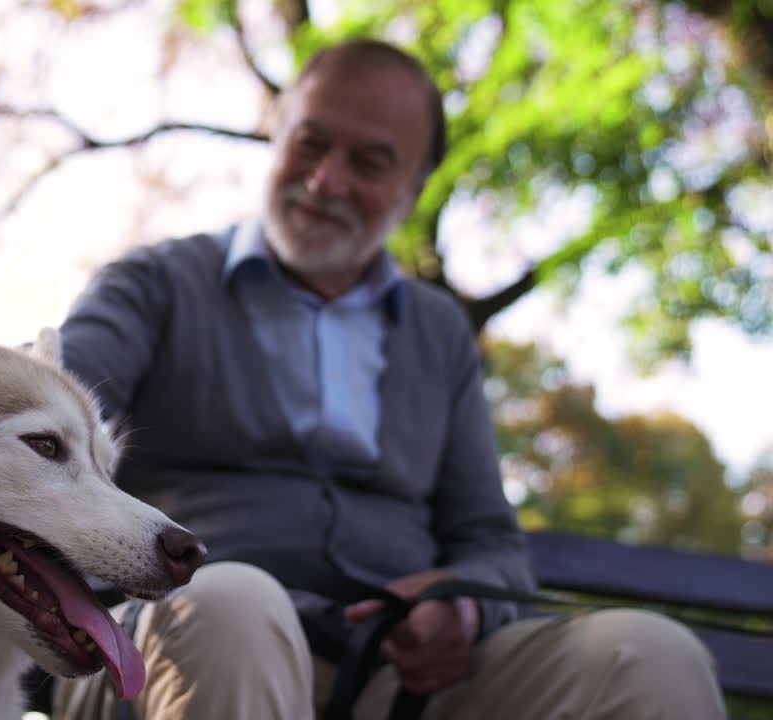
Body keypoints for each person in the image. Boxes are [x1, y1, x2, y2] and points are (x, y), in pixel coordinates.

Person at [50, 37, 725, 720]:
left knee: (649, 655)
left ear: (415, 190)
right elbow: (46, 424)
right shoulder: (153, 286)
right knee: (234, 603)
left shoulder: (439, 332)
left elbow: (491, 543)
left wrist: (464, 605)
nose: (326, 181)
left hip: (394, 679)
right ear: (274, 134)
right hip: (164, 649)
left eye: (369, 163)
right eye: (310, 145)